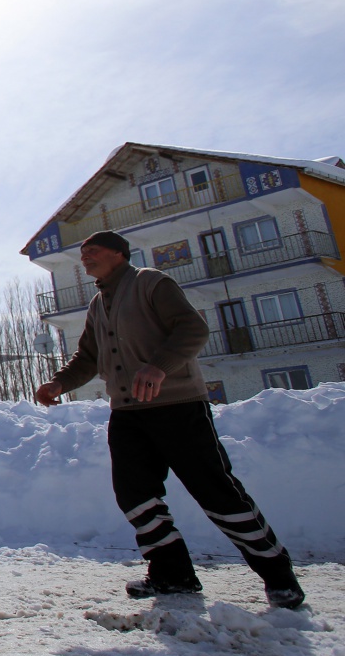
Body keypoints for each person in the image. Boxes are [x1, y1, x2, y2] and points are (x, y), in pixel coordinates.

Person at [35, 231, 305, 609]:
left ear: (120, 254)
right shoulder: (99, 303)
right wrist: (59, 382)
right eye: (83, 254)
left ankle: (279, 576)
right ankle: (172, 575)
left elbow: (192, 328)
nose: (86, 258)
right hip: (127, 414)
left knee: (216, 491)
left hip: (177, 407)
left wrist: (159, 366)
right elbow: (88, 357)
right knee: (135, 496)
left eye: (93, 251)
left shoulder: (151, 282)